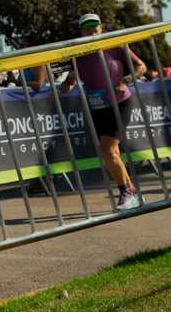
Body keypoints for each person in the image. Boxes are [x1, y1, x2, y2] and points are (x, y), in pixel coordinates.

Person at [61, 13, 147, 211]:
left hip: (120, 103)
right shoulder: (76, 52)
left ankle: (125, 192)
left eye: (95, 26)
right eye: (87, 28)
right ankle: (132, 194)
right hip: (97, 106)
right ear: (80, 31)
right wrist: (64, 85)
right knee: (112, 153)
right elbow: (69, 80)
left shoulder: (115, 45)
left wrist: (125, 81)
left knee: (107, 150)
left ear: (102, 27)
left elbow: (141, 67)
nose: (91, 31)